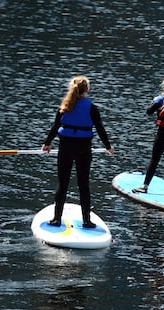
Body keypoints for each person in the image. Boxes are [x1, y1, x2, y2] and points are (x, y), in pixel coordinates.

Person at [42, 76, 115, 228]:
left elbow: (55, 127)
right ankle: (86, 221)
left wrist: (47, 143)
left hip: (66, 146)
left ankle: (56, 219)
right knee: (83, 184)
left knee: (63, 183)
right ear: (87, 90)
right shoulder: (92, 107)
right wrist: (108, 146)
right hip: (83, 147)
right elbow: (100, 128)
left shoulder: (65, 106)